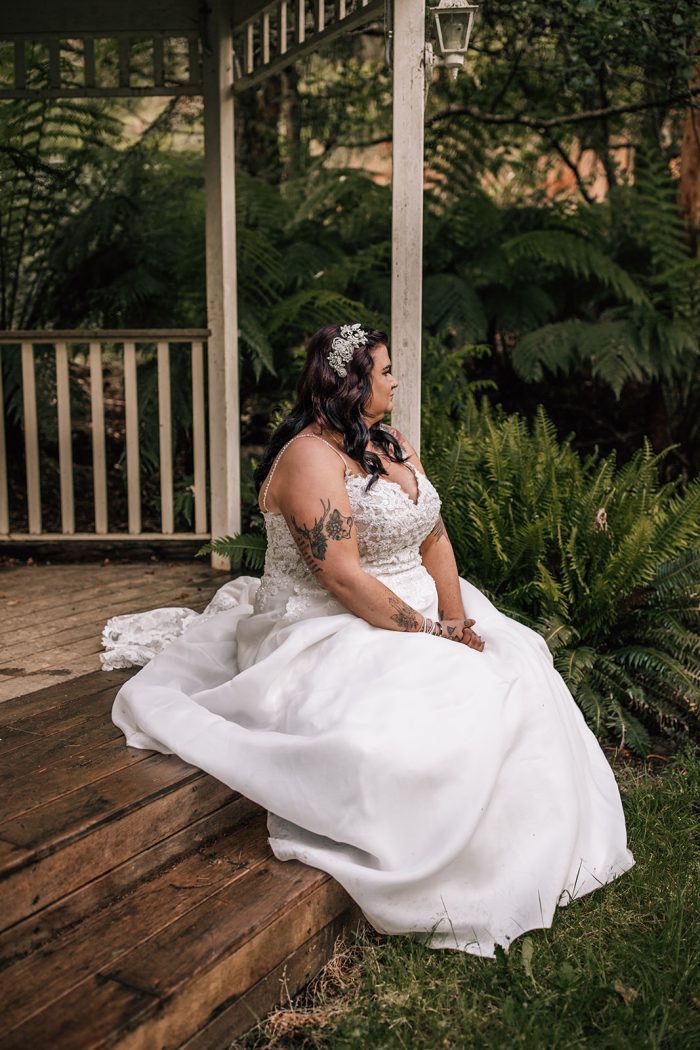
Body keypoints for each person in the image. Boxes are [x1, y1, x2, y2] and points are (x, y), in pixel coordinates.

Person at [106, 323, 634, 957]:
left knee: (519, 665)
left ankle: (543, 848)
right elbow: (345, 578)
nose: (393, 381)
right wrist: (436, 636)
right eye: (384, 372)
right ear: (350, 382)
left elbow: (433, 535)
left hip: (419, 605)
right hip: (330, 622)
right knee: (447, 699)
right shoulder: (308, 458)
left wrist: (459, 616)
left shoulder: (390, 440)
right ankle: (449, 866)